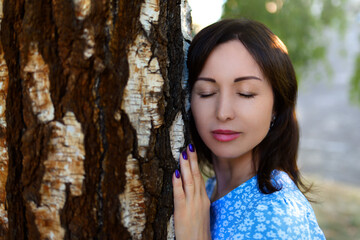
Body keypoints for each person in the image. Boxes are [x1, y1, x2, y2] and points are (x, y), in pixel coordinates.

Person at [172, 19, 326, 240]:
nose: (223, 112)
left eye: (245, 93)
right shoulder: (208, 189)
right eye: (206, 92)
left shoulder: (279, 220)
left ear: (277, 105)